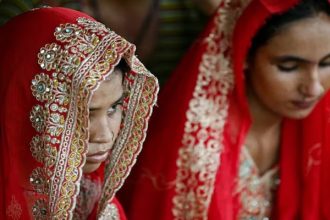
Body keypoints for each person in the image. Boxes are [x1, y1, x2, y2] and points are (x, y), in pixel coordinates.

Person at [119, 0, 330, 219]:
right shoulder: (193, 147)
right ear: (243, 54)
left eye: (327, 64)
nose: (314, 87)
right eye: (289, 67)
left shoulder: (320, 125)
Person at [0, 7, 158, 219]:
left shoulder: (93, 202)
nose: (105, 136)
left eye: (114, 107)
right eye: (86, 113)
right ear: (26, 108)